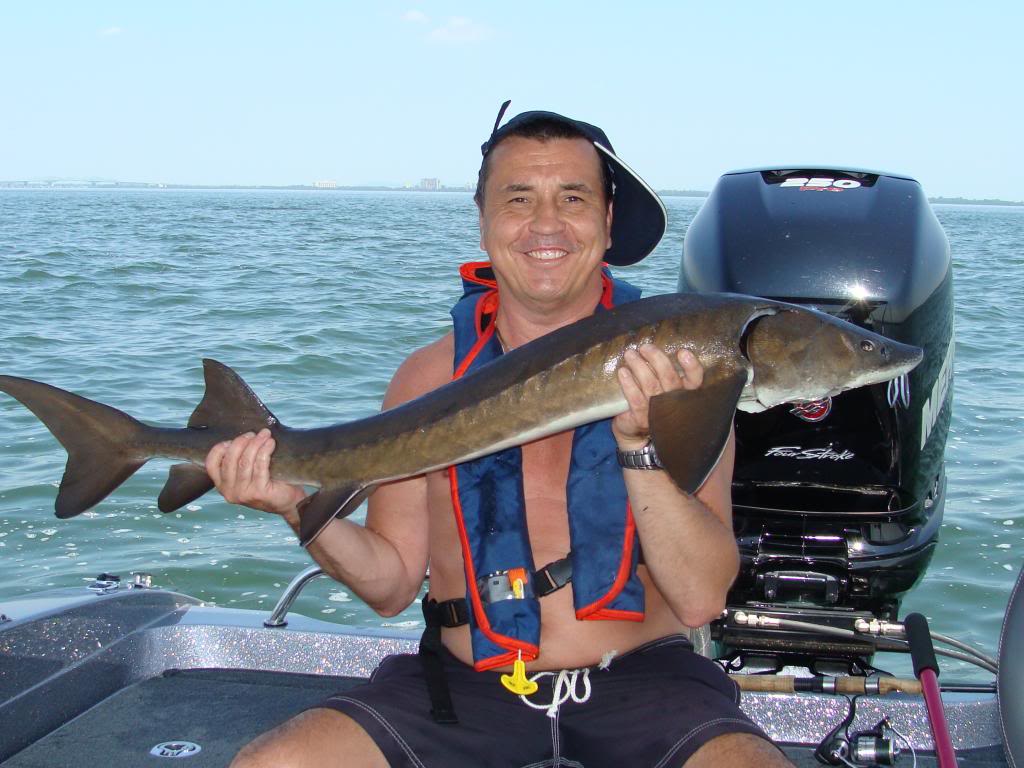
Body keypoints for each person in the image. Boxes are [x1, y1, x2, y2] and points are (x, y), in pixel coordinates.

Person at [208, 103, 792, 768]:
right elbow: (390, 584)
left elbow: (700, 597)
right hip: (465, 688)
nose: (546, 223)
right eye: (519, 199)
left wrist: (641, 445)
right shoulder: (429, 378)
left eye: (572, 197)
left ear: (607, 221)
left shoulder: (686, 371)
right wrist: (294, 504)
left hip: (644, 681)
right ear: (483, 221)